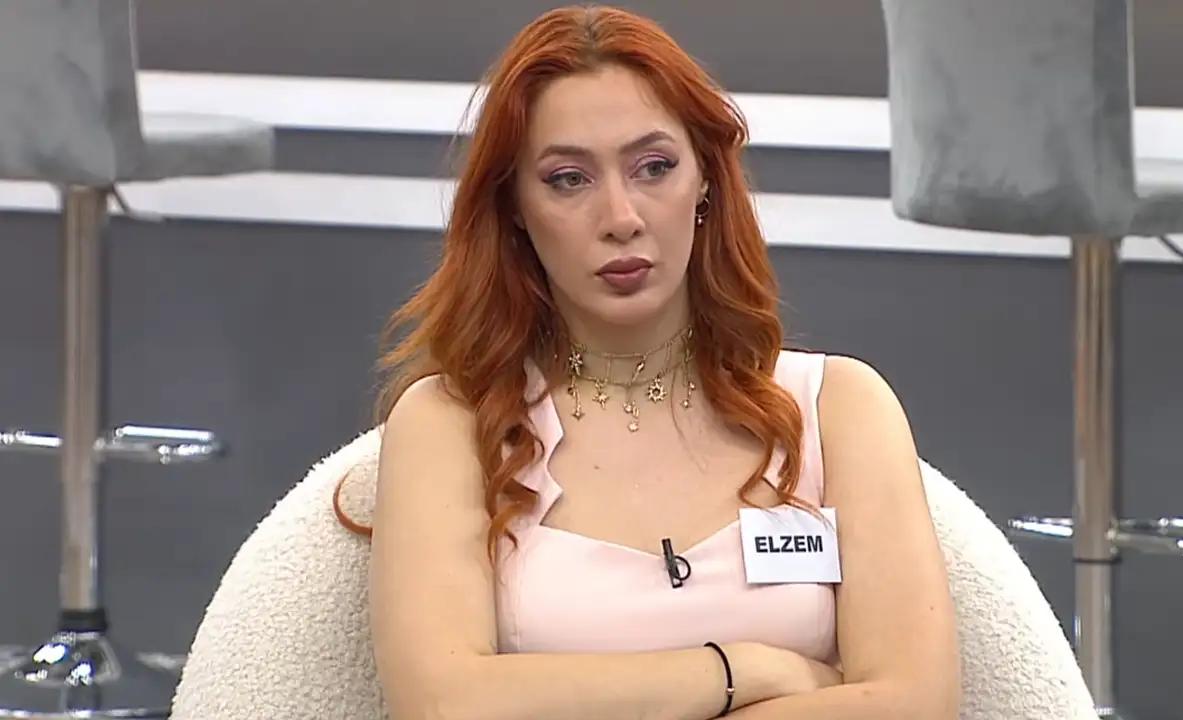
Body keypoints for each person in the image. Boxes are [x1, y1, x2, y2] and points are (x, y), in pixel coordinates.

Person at [336, 4, 959, 718]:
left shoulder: (839, 406)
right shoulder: (449, 423)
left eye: (654, 167)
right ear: (515, 209)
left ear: (706, 181)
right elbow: (444, 707)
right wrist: (739, 671)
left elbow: (915, 704)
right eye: (568, 179)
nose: (622, 217)